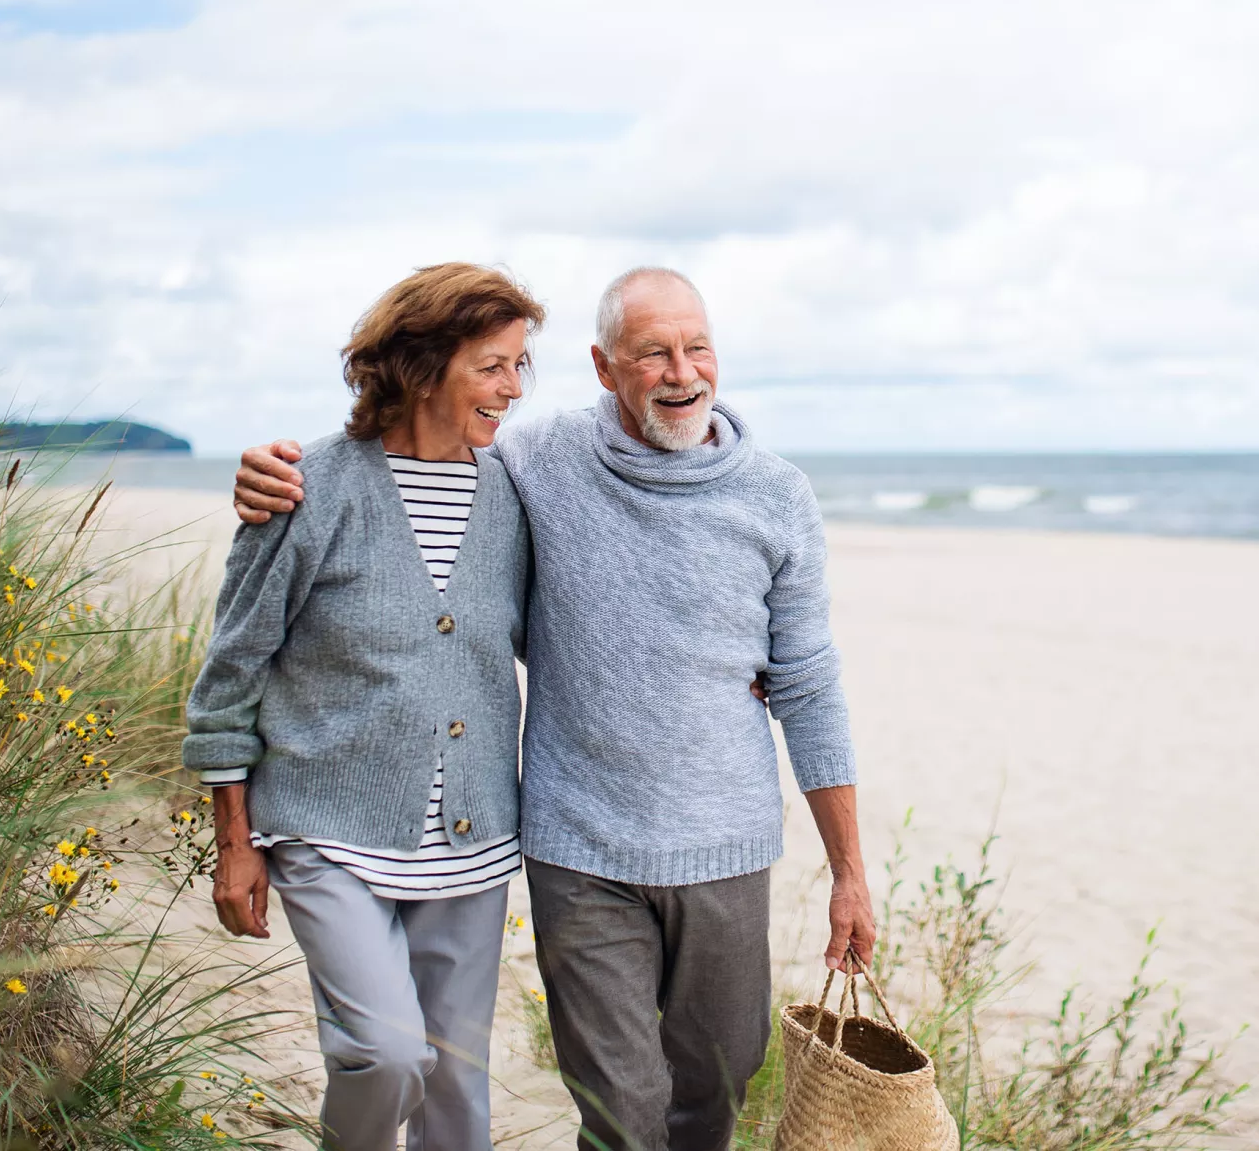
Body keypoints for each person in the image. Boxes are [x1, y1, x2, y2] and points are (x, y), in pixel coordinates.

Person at [232, 266, 872, 1151]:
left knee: (719, 1080)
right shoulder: (534, 462)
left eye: (697, 347)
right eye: (653, 352)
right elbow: (415, 459)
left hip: (723, 841)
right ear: (606, 368)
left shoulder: (778, 496)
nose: (682, 372)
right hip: (577, 846)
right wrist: (272, 473)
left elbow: (807, 680)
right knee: (618, 1108)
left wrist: (848, 869)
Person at [187, 263, 542, 1151]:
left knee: (458, 1085)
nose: (512, 389)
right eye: (493, 365)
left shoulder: (514, 494)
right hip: (325, 828)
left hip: (471, 838)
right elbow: (231, 672)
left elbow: (564, 628)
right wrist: (235, 844)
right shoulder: (309, 488)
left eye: (520, 366)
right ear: (422, 365)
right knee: (386, 1055)